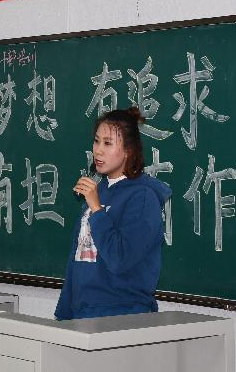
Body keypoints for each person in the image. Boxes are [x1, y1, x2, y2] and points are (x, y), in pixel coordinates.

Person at [54, 106, 172, 320]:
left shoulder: (143, 197)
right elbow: (77, 260)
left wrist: (97, 210)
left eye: (108, 143)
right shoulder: (98, 193)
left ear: (128, 150)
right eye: (96, 141)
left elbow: (120, 258)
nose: (98, 150)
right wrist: (64, 316)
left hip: (122, 316)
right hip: (83, 314)